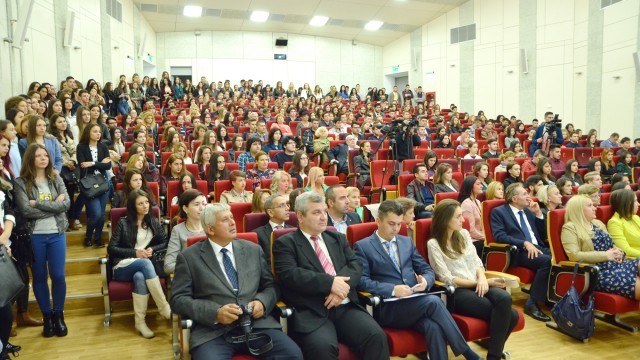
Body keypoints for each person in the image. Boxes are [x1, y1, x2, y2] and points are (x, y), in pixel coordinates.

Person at [171, 202, 303, 359]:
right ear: (210, 229)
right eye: (225, 220)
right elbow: (178, 299)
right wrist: (215, 313)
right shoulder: (189, 257)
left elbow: (271, 286)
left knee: (292, 355)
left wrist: (262, 302)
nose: (233, 222)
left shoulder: (253, 250)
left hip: (258, 326)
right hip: (213, 333)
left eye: (232, 217)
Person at [353, 200, 480, 360]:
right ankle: (466, 352)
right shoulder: (363, 246)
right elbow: (362, 282)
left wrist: (426, 281)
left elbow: (426, 270)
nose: (396, 229)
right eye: (391, 224)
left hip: (414, 301)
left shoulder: (406, 242)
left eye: (399, 224)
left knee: (433, 327)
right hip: (388, 307)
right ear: (378, 221)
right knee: (433, 302)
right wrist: (392, 289)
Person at [273, 192, 389, 360]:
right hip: (312, 311)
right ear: (300, 215)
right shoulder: (286, 243)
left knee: (377, 337)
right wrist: (330, 283)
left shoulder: (337, 238)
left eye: (324, 211)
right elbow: (290, 275)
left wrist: (339, 288)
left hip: (345, 306)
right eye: (316, 212)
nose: (323, 217)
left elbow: (355, 265)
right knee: (323, 349)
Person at [427, 200, 519, 360]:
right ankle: (494, 355)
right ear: (446, 220)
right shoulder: (433, 244)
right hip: (458, 292)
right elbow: (447, 279)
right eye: (458, 216)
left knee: (505, 297)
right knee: (512, 315)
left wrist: (483, 278)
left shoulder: (463, 234)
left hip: (479, 283)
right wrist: (479, 283)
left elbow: (476, 262)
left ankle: (493, 354)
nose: (463, 220)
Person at [15, 143, 70, 337]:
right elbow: (25, 210)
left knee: (58, 276)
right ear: (30, 159)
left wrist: (37, 203)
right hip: (34, 236)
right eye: (38, 155)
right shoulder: (21, 182)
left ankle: (58, 315)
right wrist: (53, 204)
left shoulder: (55, 178)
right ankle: (47, 317)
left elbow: (66, 204)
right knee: (39, 277)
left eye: (45, 155)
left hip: (57, 233)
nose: (43, 158)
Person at [107, 190, 170, 338]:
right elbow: (112, 248)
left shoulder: (153, 221)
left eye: (147, 202)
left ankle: (140, 322)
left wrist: (151, 249)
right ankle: (164, 307)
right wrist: (134, 253)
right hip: (122, 266)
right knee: (144, 264)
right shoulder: (123, 223)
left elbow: (164, 241)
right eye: (140, 203)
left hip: (142, 265)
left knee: (140, 277)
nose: (145, 206)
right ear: (133, 206)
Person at [490, 183, 551, 322]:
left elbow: (542, 235)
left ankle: (550, 297)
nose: (528, 196)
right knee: (547, 261)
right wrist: (524, 243)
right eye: (524, 194)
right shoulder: (499, 212)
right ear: (514, 199)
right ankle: (532, 303)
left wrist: (538, 214)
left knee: (561, 259)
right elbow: (499, 236)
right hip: (519, 251)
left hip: (537, 246)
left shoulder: (529, 212)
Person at [561, 195, 640, 300]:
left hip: (616, 264)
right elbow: (574, 255)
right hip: (597, 271)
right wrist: (606, 255)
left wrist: (619, 252)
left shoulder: (597, 223)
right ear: (578, 209)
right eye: (590, 206)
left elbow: (612, 245)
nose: (595, 208)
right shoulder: (570, 228)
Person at [75, 123, 112, 247]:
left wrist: (92, 163)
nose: (98, 134)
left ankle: (97, 237)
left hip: (103, 182)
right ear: (88, 133)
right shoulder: (81, 147)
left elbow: (108, 166)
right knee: (95, 213)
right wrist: (99, 163)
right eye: (95, 131)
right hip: (89, 183)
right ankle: (88, 236)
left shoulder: (103, 146)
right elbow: (82, 165)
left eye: (99, 132)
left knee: (101, 214)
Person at [163, 189, 206, 274]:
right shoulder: (178, 231)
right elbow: (168, 266)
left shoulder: (211, 228)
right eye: (197, 204)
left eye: (203, 204)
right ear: (185, 209)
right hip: (190, 277)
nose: (202, 208)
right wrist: (193, 267)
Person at [255, 194, 294, 268]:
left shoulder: (294, 231)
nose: (287, 208)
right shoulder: (258, 234)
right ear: (270, 212)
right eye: (282, 205)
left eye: (287, 205)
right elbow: (261, 264)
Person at [607, 189, 640, 258]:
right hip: (634, 259)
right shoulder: (614, 223)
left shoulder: (635, 217)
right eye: (635, 201)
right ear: (626, 203)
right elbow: (625, 250)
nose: (638, 204)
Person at [458, 176, 485, 257]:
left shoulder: (477, 201)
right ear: (470, 187)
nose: (481, 186)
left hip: (480, 237)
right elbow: (471, 231)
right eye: (478, 184)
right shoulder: (466, 204)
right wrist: (487, 238)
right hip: (473, 240)